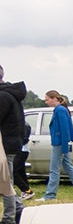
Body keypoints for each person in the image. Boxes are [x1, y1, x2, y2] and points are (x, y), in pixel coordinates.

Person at [42, 90, 73, 200]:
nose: (46, 102)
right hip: (61, 143)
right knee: (69, 168)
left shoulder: (60, 110)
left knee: (54, 170)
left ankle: (50, 195)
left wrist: (64, 147)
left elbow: (65, 130)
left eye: (47, 99)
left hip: (60, 144)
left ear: (54, 98)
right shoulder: (61, 109)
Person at [0, 64, 28, 197]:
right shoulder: (11, 94)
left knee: (7, 182)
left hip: (5, 143)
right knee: (6, 181)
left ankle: (11, 215)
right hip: (12, 142)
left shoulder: (3, 96)